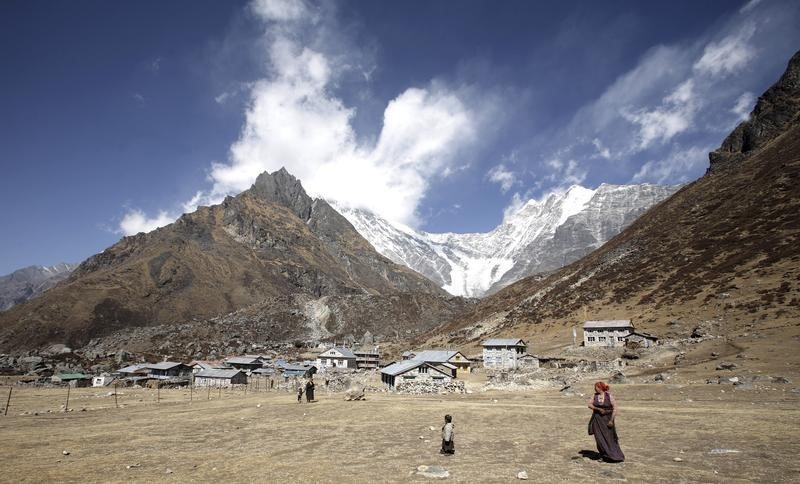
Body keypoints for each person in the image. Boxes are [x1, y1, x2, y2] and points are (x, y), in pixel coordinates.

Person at [587, 381, 625, 462]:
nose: (595, 388)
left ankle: (614, 456)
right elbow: (589, 404)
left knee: (609, 438)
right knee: (599, 438)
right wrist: (597, 409)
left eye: (596, 387)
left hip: (607, 420)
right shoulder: (594, 395)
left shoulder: (609, 396)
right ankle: (603, 455)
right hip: (597, 420)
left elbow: (615, 408)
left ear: (600, 387)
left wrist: (611, 420)